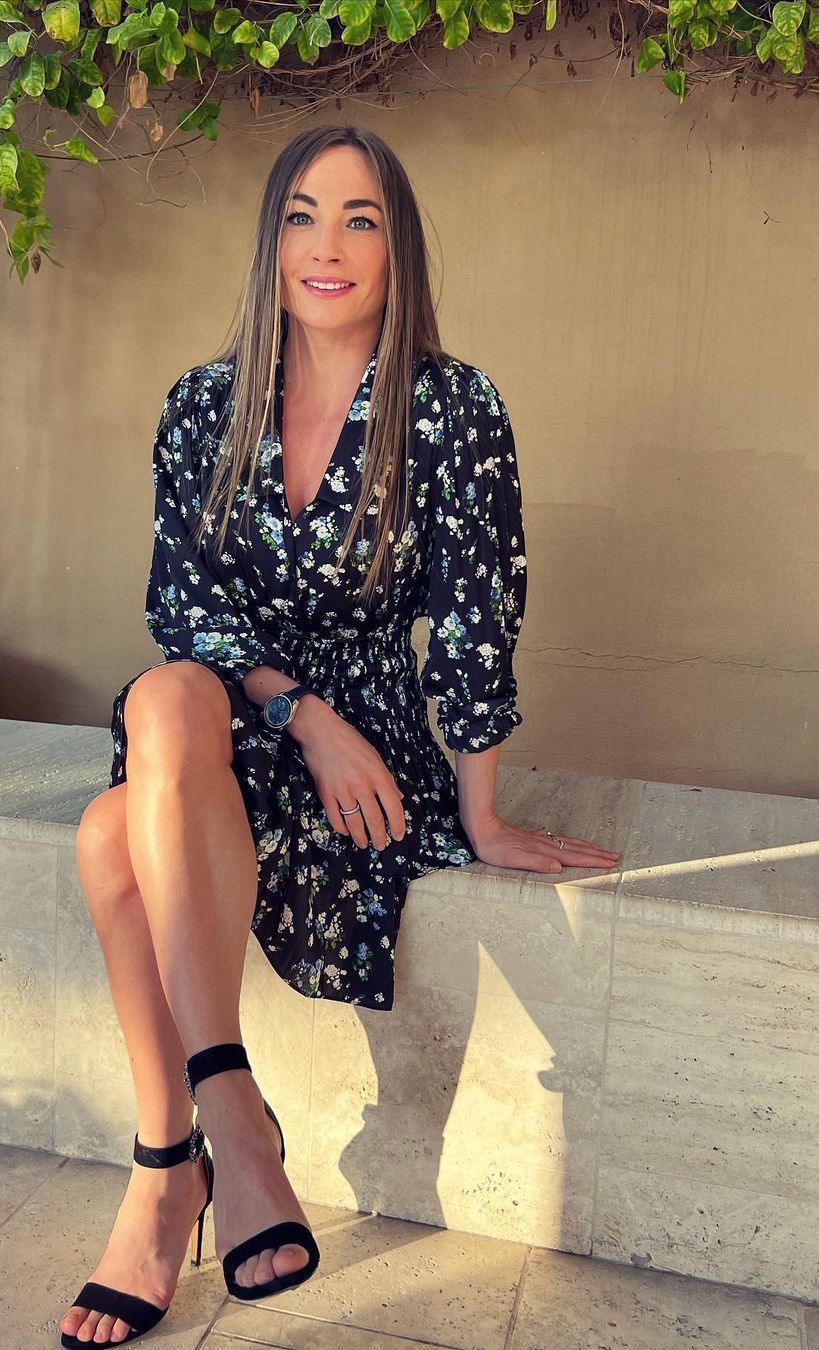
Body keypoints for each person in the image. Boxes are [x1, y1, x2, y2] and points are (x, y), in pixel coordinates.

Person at [59, 125, 621, 1347]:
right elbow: (185, 608)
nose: (328, 246)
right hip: (238, 718)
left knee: (110, 836)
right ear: (272, 243)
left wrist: (479, 813)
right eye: (302, 217)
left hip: (372, 744)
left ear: (395, 247)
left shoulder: (453, 407)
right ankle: (230, 1113)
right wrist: (296, 713)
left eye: (360, 219)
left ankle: (166, 1167)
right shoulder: (201, 405)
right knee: (169, 693)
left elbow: (478, 612)